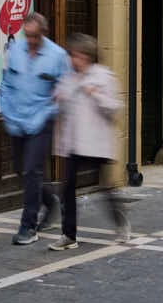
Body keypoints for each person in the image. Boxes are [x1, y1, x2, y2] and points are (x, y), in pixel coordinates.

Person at [49, 33, 130, 251]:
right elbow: (60, 107)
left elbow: (114, 109)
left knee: (104, 188)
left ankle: (121, 223)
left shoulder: (103, 76)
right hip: (74, 143)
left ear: (84, 56)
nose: (71, 59)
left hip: (95, 143)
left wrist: (95, 94)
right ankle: (69, 235)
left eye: (74, 55)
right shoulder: (68, 78)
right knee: (67, 189)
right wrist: (58, 100)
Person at [0, 12, 69, 245]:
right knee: (21, 169)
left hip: (41, 120)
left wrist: (55, 106)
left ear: (44, 34)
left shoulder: (58, 56)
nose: (30, 41)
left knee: (31, 170)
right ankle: (50, 201)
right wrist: (2, 106)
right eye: (27, 36)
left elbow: (66, 87)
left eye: (35, 36)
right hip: (16, 120)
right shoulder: (14, 50)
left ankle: (28, 227)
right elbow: (6, 81)